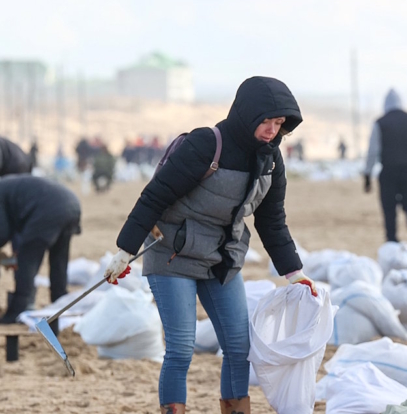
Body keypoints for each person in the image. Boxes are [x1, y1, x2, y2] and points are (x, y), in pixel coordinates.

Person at [103, 76, 318, 414]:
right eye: (266, 120)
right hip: (173, 254)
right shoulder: (206, 144)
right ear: (247, 114)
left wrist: (295, 273)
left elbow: (271, 220)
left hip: (222, 259)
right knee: (181, 348)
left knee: (238, 347)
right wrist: (124, 251)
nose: (272, 130)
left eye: (279, 124)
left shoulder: (271, 160)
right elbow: (154, 196)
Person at [0, 175, 81, 324]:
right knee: (59, 261)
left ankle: (17, 309)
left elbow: (3, 232)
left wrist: (5, 259)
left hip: (47, 208)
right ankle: (60, 304)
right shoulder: (8, 187)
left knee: (26, 260)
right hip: (71, 203)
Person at [363, 88, 407, 251]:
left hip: (388, 172)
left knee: (389, 208)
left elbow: (373, 151)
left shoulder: (380, 122)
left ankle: (392, 240)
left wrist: (367, 175)